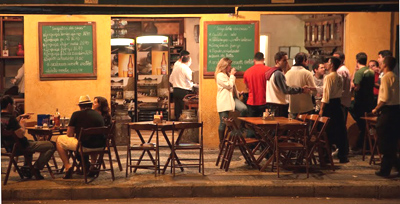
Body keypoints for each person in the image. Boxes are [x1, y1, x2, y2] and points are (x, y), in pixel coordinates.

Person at [1, 95, 55, 179]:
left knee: (32, 142)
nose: (14, 107)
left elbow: (10, 124)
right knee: (51, 145)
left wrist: (20, 117)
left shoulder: (2, 117)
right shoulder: (11, 118)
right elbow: (21, 134)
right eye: (14, 105)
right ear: (9, 105)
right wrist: (23, 126)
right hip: (20, 147)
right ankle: (35, 169)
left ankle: (27, 168)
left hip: (9, 147)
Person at [56, 95, 105, 179]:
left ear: (80, 106)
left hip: (84, 146)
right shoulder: (98, 115)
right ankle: (92, 165)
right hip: (100, 146)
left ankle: (68, 166)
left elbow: (69, 134)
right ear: (90, 105)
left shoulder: (76, 114)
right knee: (91, 139)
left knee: (59, 140)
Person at [372, 56, 400, 178]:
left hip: (388, 111)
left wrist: (376, 108)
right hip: (396, 110)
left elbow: (385, 97)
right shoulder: (395, 77)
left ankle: (387, 168)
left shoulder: (386, 77)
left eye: (381, 63)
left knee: (384, 140)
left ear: (385, 65)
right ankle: (387, 168)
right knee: (391, 141)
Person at [319, 57, 349, 163]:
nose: (326, 64)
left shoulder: (328, 77)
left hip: (329, 105)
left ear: (331, 65)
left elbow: (326, 95)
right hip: (338, 104)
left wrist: (321, 109)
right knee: (340, 130)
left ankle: (326, 155)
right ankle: (343, 154)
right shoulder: (339, 76)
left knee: (326, 130)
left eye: (328, 62)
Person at [215, 58, 248, 144]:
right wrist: (232, 75)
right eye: (229, 65)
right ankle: (221, 143)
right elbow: (229, 85)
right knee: (223, 122)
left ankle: (240, 129)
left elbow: (231, 88)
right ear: (225, 66)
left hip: (233, 99)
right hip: (224, 100)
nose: (230, 67)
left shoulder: (227, 74)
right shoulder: (220, 75)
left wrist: (238, 93)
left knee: (244, 108)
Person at [265, 51, 309, 117]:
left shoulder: (271, 72)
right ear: (277, 61)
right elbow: (286, 90)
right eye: (284, 60)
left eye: (287, 60)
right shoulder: (278, 73)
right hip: (279, 105)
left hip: (271, 103)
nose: (287, 62)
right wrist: (301, 90)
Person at [351, 52, 375, 152]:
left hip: (360, 102)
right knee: (366, 124)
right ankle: (366, 145)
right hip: (370, 101)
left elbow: (357, 87)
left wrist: (352, 83)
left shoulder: (359, 72)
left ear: (357, 61)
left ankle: (360, 145)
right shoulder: (371, 71)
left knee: (361, 124)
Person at [286, 52, 317, 119]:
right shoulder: (307, 73)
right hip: (306, 107)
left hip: (292, 107)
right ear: (304, 61)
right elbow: (314, 91)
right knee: (305, 128)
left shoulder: (287, 73)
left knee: (293, 128)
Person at [243, 52, 270, 117]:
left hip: (251, 101)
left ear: (254, 60)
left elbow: (247, 88)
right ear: (264, 59)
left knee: (252, 124)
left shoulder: (247, 72)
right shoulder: (269, 70)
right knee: (264, 124)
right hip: (265, 101)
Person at [169, 51, 194, 120]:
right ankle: (183, 126)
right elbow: (191, 78)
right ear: (188, 61)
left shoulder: (176, 67)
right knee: (184, 110)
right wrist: (189, 84)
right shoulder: (186, 68)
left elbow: (170, 79)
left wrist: (177, 83)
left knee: (177, 110)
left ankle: (177, 125)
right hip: (183, 91)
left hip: (176, 90)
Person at [333, 52, 352, 124]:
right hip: (342, 101)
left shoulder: (341, 71)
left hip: (341, 102)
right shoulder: (340, 69)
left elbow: (340, 88)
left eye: (336, 58)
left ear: (342, 59)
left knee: (340, 124)